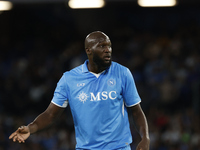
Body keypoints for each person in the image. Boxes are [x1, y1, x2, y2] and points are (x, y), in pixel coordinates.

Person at [9, 31, 150, 150]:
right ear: (88, 50)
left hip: (119, 147)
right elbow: (50, 114)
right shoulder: (69, 79)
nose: (108, 50)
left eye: (109, 46)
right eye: (101, 46)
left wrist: (145, 137)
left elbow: (136, 111)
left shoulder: (122, 73)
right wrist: (31, 128)